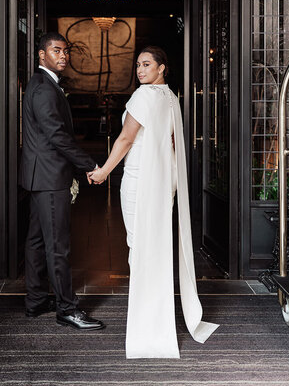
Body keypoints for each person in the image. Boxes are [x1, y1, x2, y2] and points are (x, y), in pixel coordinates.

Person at [89, 46, 219, 358]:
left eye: (147, 65)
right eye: (138, 65)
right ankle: (155, 317)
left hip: (139, 178)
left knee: (139, 248)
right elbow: (172, 142)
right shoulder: (171, 97)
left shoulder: (144, 96)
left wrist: (104, 171)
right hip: (162, 180)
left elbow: (125, 138)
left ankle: (147, 323)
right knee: (155, 247)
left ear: (162, 67)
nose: (140, 70)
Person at [19, 31, 104, 331]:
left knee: (37, 241)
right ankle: (67, 309)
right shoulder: (43, 88)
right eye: (56, 51)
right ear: (42, 55)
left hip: (40, 177)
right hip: (50, 177)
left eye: (65, 51)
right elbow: (56, 136)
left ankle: (36, 300)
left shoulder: (43, 84)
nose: (63, 56)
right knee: (57, 246)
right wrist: (90, 165)